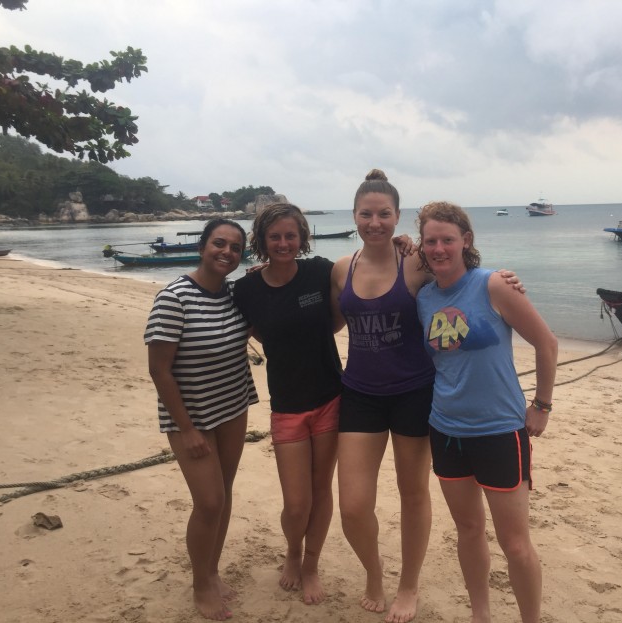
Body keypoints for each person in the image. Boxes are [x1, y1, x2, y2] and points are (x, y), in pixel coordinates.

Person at [331, 170, 524, 623]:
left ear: (397, 217)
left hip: (415, 392)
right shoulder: (341, 268)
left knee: (412, 492)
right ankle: (374, 573)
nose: (374, 221)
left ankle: (408, 585)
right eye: (366, 214)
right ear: (354, 217)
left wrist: (507, 280)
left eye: (384, 214)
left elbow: (459, 270)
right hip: (359, 392)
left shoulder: (415, 262)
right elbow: (327, 324)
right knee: (354, 505)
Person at [414, 201, 558, 623]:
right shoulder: (424, 297)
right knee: (469, 531)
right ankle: (481, 614)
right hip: (446, 429)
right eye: (431, 241)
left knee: (515, 544)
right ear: (423, 247)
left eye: (448, 240)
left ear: (466, 242)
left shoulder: (492, 284)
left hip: (499, 430)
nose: (439, 248)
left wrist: (542, 406)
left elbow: (547, 344)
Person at [145, 218, 258, 621]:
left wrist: (265, 277)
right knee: (208, 502)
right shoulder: (174, 298)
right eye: (218, 243)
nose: (226, 252)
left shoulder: (235, 295)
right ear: (202, 246)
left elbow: (265, 323)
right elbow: (159, 369)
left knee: (223, 494)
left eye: (235, 247)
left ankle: (211, 571)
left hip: (232, 405)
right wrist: (187, 428)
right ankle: (200, 583)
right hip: (190, 417)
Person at [232, 203, 342, 605]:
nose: (283, 243)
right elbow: (252, 332)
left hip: (331, 397)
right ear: (261, 241)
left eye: (290, 236)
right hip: (288, 406)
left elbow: (361, 279)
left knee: (321, 489)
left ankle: (310, 563)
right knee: (297, 502)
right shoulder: (246, 289)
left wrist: (403, 244)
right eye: (275, 236)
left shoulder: (320, 271)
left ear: (302, 237)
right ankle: (292, 551)